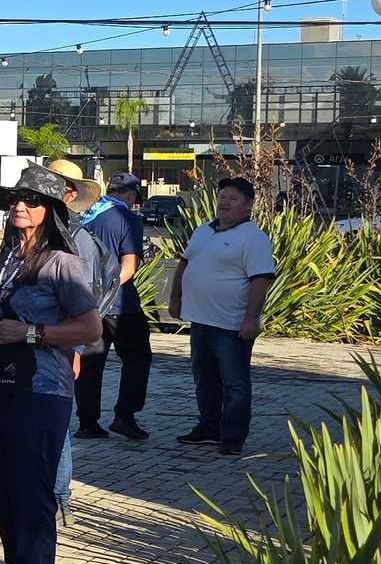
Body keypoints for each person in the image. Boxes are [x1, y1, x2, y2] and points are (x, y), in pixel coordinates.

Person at [0, 164, 106, 564]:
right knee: (7, 487)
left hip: (43, 387)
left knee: (32, 490)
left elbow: (89, 329)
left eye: (31, 200)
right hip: (5, 380)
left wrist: (27, 333)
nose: (20, 206)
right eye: (14, 198)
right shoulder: (10, 255)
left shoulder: (62, 262)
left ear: (50, 209)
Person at [170, 175, 275, 456]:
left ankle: (232, 436)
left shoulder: (254, 238)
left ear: (249, 205)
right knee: (204, 379)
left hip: (230, 325)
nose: (224, 203)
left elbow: (260, 280)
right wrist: (176, 297)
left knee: (235, 382)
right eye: (223, 197)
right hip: (200, 321)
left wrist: (251, 319)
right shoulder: (203, 230)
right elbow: (184, 262)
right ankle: (209, 428)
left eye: (233, 198)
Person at [74, 173, 152, 441]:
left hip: (85, 304)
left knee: (91, 363)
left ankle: (87, 422)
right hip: (120, 304)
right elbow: (128, 266)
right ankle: (125, 416)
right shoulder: (126, 218)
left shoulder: (84, 215)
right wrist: (107, 290)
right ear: (131, 196)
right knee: (137, 358)